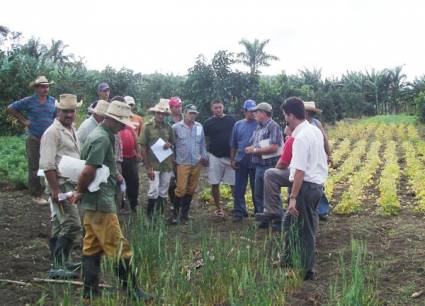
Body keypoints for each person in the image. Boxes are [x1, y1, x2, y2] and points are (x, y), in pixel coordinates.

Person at [73, 100, 152, 302]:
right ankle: (132, 290)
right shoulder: (102, 138)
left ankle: (90, 291)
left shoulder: (103, 134)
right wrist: (79, 191)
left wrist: (116, 176)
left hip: (95, 201)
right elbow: (88, 170)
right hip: (101, 202)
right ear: (113, 120)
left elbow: (101, 165)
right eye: (122, 123)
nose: (124, 127)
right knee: (118, 246)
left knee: (91, 245)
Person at [281, 97, 328, 281]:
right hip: (316, 186)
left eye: (285, 116)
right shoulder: (314, 130)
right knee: (288, 223)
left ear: (291, 115)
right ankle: (288, 259)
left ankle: (307, 270)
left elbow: (300, 171)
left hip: (305, 188)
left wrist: (293, 197)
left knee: (305, 230)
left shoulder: (300, 138)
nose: (285, 119)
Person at [39, 94, 83, 279]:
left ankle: (61, 263)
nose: (69, 114)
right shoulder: (52, 132)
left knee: (59, 225)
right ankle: (58, 266)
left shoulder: (72, 129)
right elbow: (47, 165)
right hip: (61, 185)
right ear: (58, 111)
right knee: (73, 224)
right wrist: (56, 190)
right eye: (65, 111)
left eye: (72, 111)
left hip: (69, 183)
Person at [7, 76, 56, 205]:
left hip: (49, 139)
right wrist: (23, 121)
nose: (46, 89)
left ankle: (51, 191)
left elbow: (57, 118)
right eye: (42, 86)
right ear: (36, 88)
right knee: (34, 167)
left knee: (50, 165)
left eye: (47, 86)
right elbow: (11, 108)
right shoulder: (29, 101)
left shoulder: (53, 102)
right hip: (34, 138)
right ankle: (36, 194)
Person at [244, 102, 283, 223]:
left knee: (272, 194)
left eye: (257, 112)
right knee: (259, 194)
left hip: (270, 166)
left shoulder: (273, 126)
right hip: (259, 166)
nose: (254, 114)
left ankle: (277, 221)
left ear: (264, 113)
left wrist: (254, 150)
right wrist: (251, 148)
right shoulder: (259, 126)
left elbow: (274, 147)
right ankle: (264, 221)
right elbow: (255, 143)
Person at [139, 99, 174, 218]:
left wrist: (170, 145)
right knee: (153, 191)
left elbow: (172, 143)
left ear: (165, 115)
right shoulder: (147, 127)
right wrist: (148, 167)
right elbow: (143, 147)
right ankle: (149, 217)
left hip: (167, 164)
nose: (160, 115)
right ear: (154, 114)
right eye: (158, 113)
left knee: (163, 192)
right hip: (153, 164)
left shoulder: (169, 127)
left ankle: (159, 216)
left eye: (162, 113)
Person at [172, 104, 207, 224]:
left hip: (196, 162)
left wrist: (204, 156)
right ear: (185, 113)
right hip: (182, 162)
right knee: (181, 189)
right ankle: (175, 215)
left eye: (194, 113)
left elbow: (202, 143)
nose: (192, 115)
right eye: (190, 113)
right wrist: (173, 159)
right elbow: (172, 145)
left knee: (191, 189)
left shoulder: (199, 127)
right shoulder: (176, 127)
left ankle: (185, 215)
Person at [256, 125, 294, 229]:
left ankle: (273, 212)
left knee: (270, 174)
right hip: (313, 176)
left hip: (298, 174)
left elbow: (282, 163)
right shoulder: (312, 134)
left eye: (286, 135)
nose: (285, 137)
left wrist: (278, 167)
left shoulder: (291, 140)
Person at [203, 100, 236, 217]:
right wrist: (206, 152)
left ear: (223, 107)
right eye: (215, 108)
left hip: (230, 156)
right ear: (212, 109)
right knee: (215, 182)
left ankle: (237, 207)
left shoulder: (231, 120)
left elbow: (236, 136)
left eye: (219, 107)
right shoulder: (208, 123)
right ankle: (219, 208)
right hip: (214, 156)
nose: (218, 109)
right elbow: (204, 139)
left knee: (233, 183)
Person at [229, 99, 258, 222]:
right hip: (241, 160)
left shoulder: (260, 124)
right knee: (239, 188)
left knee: (256, 188)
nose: (253, 113)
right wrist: (232, 159)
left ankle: (259, 211)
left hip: (256, 161)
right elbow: (234, 144)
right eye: (250, 111)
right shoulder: (238, 125)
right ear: (244, 111)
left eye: (254, 111)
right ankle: (239, 211)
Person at [304, 101, 332, 221]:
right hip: (305, 159)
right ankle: (310, 210)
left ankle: (322, 211)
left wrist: (329, 155)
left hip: (317, 158)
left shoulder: (316, 123)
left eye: (309, 112)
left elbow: (324, 140)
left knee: (318, 184)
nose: (307, 114)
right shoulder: (295, 124)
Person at [119, 103, 141, 212]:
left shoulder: (128, 124)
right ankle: (121, 204)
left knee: (134, 180)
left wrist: (138, 152)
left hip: (131, 157)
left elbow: (135, 138)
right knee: (120, 181)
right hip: (120, 159)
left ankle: (134, 203)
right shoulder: (116, 124)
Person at [166, 96, 184, 218]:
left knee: (181, 180)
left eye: (180, 106)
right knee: (171, 181)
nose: (179, 109)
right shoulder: (166, 120)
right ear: (171, 108)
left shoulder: (185, 119)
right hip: (169, 154)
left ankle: (181, 203)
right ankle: (173, 202)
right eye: (176, 106)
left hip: (183, 154)